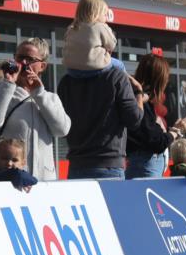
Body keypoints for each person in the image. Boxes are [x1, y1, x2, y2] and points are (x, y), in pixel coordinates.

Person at [0, 37, 70, 181]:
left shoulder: (50, 98)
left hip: (42, 181)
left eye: (29, 59)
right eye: (20, 57)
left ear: (42, 66)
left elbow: (62, 130)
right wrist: (8, 85)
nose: (23, 63)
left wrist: (39, 93)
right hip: (9, 179)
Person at [57, 51, 144, 182]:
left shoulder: (66, 82)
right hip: (109, 165)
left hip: (76, 165)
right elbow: (134, 120)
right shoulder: (116, 76)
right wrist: (138, 92)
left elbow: (63, 126)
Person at [125, 54, 186, 179]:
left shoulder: (141, 101)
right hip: (145, 166)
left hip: (145, 165)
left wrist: (176, 129)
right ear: (159, 80)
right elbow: (156, 142)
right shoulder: (141, 103)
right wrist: (179, 129)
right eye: (166, 79)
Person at [61, 0, 127, 77]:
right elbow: (112, 44)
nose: (106, 18)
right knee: (119, 65)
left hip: (72, 70)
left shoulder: (71, 28)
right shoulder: (99, 26)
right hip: (94, 68)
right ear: (96, 14)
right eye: (105, 14)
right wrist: (107, 28)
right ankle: (129, 86)